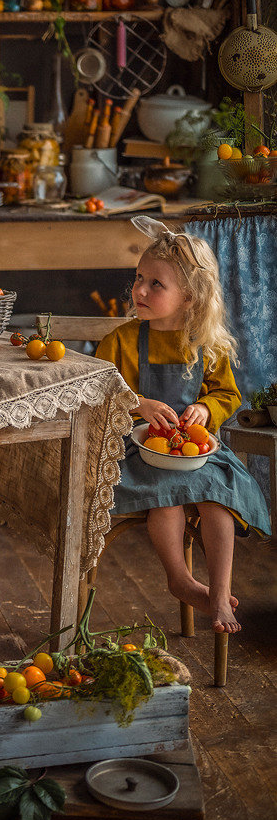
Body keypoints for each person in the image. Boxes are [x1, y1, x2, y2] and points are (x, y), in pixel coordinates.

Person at [96, 216, 269, 635]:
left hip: (195, 452)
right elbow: (97, 390)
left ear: (190, 296)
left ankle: (219, 591)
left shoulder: (205, 345)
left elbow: (227, 394)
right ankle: (180, 579)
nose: (139, 290)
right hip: (140, 452)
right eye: (139, 278)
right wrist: (138, 403)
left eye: (156, 284)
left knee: (218, 498)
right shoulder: (121, 340)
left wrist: (206, 410)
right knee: (167, 498)